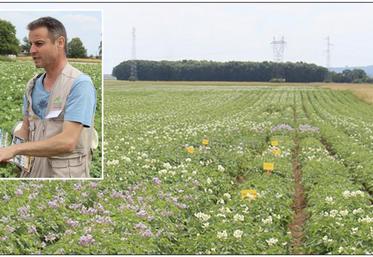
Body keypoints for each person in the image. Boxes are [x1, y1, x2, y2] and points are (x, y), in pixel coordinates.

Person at [0, 16, 96, 178]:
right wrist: (7, 147)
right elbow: (25, 129)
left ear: (60, 43)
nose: (32, 50)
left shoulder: (79, 84)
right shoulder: (32, 85)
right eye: (30, 44)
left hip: (64, 177)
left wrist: (15, 149)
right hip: (32, 173)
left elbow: (68, 142)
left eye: (39, 44)